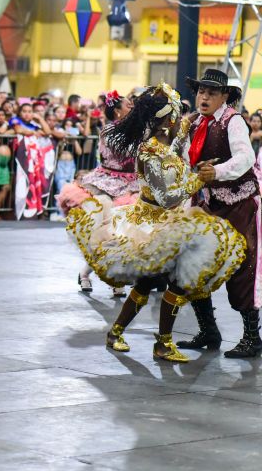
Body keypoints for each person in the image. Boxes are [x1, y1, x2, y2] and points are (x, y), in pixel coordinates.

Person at [67, 83, 245, 362]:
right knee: (171, 283)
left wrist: (188, 146)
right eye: (177, 116)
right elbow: (167, 196)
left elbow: (175, 157)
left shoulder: (163, 146)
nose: (181, 120)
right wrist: (199, 179)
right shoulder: (149, 152)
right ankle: (160, 342)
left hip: (166, 223)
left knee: (151, 283)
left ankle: (119, 334)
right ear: (166, 121)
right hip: (152, 226)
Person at [178, 69, 262, 358]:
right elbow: (186, 160)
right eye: (201, 91)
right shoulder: (194, 124)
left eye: (212, 92)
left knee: (242, 268)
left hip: (239, 204)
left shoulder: (233, 121)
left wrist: (218, 171)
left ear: (225, 96)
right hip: (207, 203)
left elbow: (245, 157)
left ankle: (252, 337)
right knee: (193, 263)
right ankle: (209, 330)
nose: (204, 96)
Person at [57, 90, 139, 296]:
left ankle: (98, 274)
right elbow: (126, 151)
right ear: (118, 111)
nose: (132, 107)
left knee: (124, 234)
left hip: (132, 184)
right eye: (128, 105)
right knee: (106, 234)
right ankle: (99, 276)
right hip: (107, 184)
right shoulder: (109, 131)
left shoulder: (135, 130)